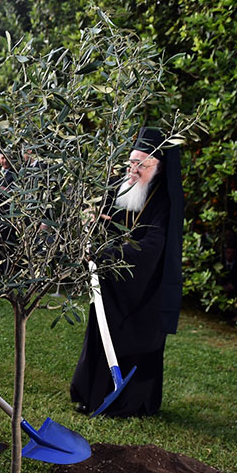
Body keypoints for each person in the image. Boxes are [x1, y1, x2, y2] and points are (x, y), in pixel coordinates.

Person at [70, 127, 185, 417]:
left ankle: (131, 403)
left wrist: (107, 253)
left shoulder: (164, 201)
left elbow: (152, 247)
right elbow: (104, 222)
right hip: (113, 286)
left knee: (135, 345)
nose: (133, 170)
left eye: (141, 164)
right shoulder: (120, 188)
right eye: (131, 162)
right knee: (101, 337)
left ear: (158, 167)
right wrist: (91, 225)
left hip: (146, 291)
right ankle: (92, 394)